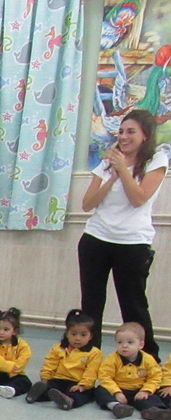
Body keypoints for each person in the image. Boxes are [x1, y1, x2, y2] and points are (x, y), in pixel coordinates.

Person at [79, 109, 166, 359]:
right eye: (121, 131)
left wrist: (124, 171)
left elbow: (139, 199)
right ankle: (88, 357)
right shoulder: (107, 162)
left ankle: (147, 359)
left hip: (132, 243)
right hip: (95, 239)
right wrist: (112, 176)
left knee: (133, 304)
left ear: (145, 136)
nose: (124, 136)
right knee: (91, 303)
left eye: (131, 132)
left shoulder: (156, 161)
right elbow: (87, 203)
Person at [27, 310, 104, 411]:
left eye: (83, 335)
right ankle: (36, 396)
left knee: (86, 394)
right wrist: (45, 378)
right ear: (67, 334)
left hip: (77, 383)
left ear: (90, 336)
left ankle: (69, 401)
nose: (77, 338)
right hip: (57, 380)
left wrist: (83, 385)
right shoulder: (58, 348)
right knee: (49, 388)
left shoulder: (94, 353)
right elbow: (50, 363)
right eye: (73, 334)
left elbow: (92, 372)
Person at [94, 321, 167, 419]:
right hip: (118, 389)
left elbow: (155, 377)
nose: (124, 346)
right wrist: (116, 392)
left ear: (140, 345)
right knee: (100, 391)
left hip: (138, 390)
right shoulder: (112, 359)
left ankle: (154, 412)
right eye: (120, 342)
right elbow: (105, 377)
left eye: (130, 342)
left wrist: (146, 391)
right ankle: (116, 407)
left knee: (153, 396)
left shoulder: (148, 359)